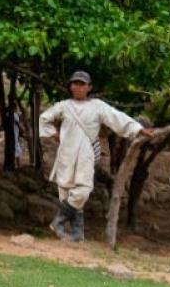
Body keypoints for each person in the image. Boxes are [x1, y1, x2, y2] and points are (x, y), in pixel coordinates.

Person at [40, 70, 153, 242]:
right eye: (74, 83)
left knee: (83, 191)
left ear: (89, 87)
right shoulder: (63, 106)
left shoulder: (98, 106)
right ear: (70, 86)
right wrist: (55, 134)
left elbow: (117, 118)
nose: (77, 87)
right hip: (66, 153)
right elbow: (44, 118)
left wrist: (138, 129)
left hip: (86, 154)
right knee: (65, 192)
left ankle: (58, 222)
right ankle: (77, 235)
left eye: (81, 84)